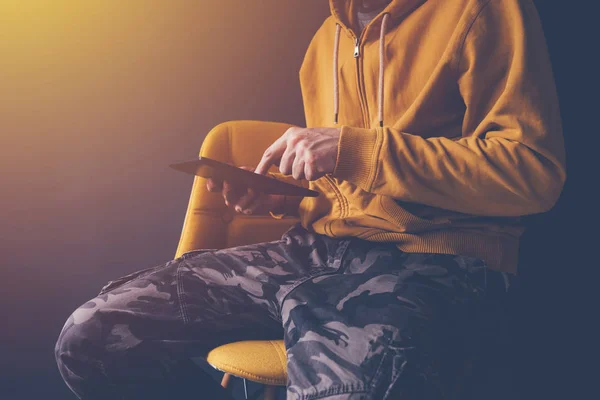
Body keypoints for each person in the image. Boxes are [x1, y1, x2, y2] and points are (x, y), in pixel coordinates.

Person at [55, 0, 565, 398]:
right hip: (314, 251)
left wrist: (353, 148)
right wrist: (281, 201)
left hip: (436, 260)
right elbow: (346, 191)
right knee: (93, 339)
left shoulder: (479, 11)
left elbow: (532, 173)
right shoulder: (326, 42)